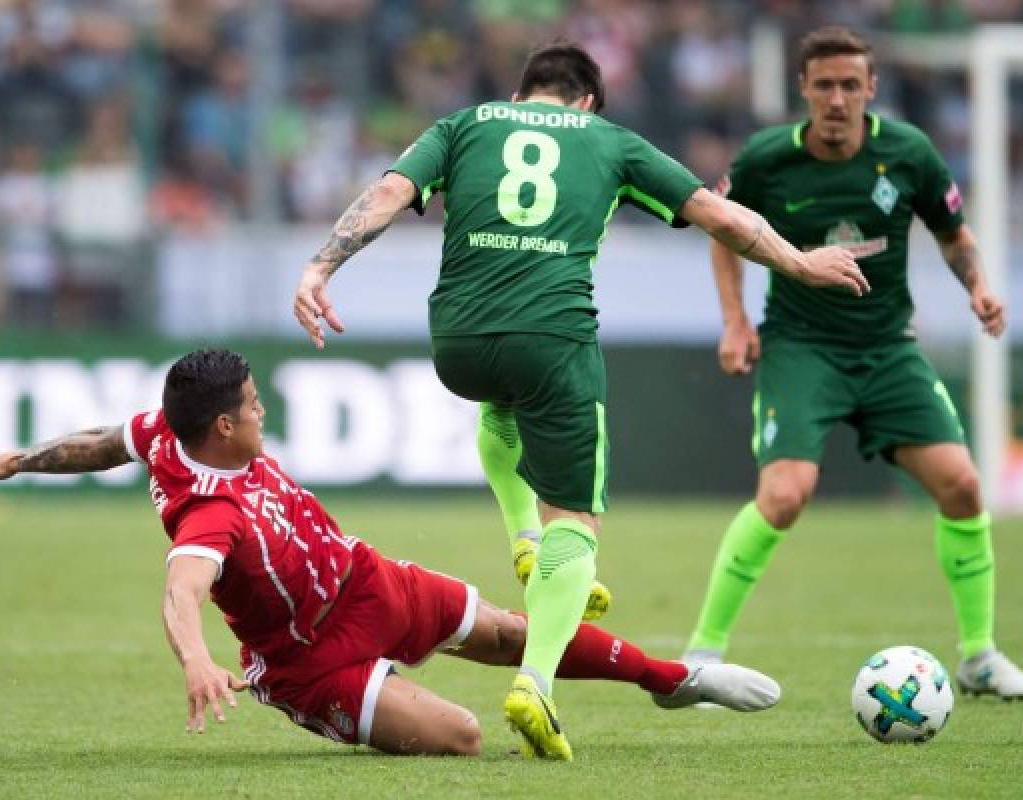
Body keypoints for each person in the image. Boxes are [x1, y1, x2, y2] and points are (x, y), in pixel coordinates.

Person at [291, 42, 868, 758]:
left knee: (498, 402)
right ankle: (536, 679)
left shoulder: (463, 124)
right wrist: (800, 262)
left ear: (523, 90)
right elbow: (723, 218)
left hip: (458, 342)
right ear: (589, 100)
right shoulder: (611, 140)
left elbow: (383, 197)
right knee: (580, 525)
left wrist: (320, 267)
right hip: (553, 340)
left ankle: (523, 540)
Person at [0, 348, 781, 760]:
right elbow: (182, 595)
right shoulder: (208, 514)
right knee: (462, 737)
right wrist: (197, 662)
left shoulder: (163, 430)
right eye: (257, 408)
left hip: (362, 578)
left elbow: (99, 442)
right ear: (222, 427)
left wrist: (16, 459)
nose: (265, 415)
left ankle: (675, 679)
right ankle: (374, 699)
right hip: (308, 659)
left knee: (512, 636)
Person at [677, 26, 1023, 700]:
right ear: (804, 90)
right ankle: (702, 654)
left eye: (851, 85)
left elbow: (953, 234)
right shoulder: (765, 159)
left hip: (887, 349)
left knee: (962, 485)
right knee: (785, 496)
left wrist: (980, 287)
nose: (838, 98)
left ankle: (979, 656)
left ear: (871, 89)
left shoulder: (908, 153)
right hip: (801, 348)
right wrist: (734, 320)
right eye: (825, 85)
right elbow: (721, 232)